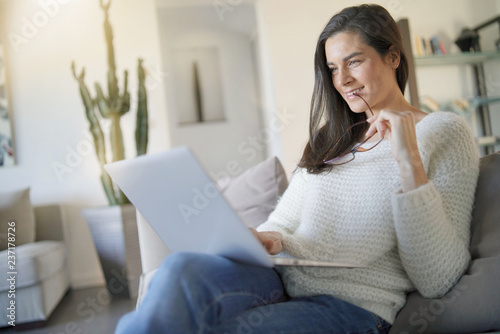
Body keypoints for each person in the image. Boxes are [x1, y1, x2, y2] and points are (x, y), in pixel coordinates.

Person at [115, 4, 479, 334]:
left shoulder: (443, 132)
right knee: (179, 270)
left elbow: (438, 277)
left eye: (354, 61)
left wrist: (407, 159)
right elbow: (283, 223)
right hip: (278, 282)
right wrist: (268, 238)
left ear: (393, 57)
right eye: (333, 69)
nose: (342, 81)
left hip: (352, 307)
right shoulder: (332, 139)